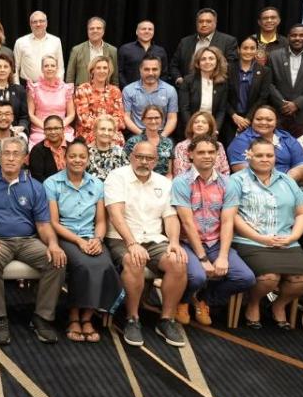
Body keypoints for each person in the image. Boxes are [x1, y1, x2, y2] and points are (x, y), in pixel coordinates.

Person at [0, 137, 66, 345]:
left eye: (16, 154)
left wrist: (52, 244)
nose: (11, 158)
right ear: (0, 156)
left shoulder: (35, 187)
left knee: (57, 261)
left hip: (28, 240)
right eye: (7, 153)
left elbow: (43, 224)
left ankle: (42, 317)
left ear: (24, 159)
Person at [223, 138, 303, 329]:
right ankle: (254, 303)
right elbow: (233, 217)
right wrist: (259, 238)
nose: (265, 159)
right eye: (259, 155)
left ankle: (279, 304)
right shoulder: (236, 180)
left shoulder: (287, 180)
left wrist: (293, 237)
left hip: (286, 241)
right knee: (268, 278)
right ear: (249, 157)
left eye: (269, 155)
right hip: (250, 241)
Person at [104, 140, 189, 347]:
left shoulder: (164, 183)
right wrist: (132, 243)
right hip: (122, 238)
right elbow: (116, 215)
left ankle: (166, 319)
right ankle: (132, 318)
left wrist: (175, 242)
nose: (143, 162)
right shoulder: (117, 177)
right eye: (139, 157)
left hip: (153, 238)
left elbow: (170, 217)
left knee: (178, 262)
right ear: (131, 157)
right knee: (135, 260)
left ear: (156, 161)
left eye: (149, 158)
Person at [170, 136, 256, 327]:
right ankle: (182, 300)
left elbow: (227, 221)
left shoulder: (228, 183)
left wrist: (223, 256)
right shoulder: (181, 182)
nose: (207, 156)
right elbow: (187, 222)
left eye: (211, 152)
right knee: (197, 276)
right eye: (201, 152)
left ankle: (205, 300)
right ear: (190, 154)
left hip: (216, 243)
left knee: (246, 278)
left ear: (217, 155)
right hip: (188, 243)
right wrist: (202, 259)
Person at [43, 139, 121, 342]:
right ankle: (73, 316)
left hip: (91, 235)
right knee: (84, 265)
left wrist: (97, 239)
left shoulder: (97, 184)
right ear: (64, 158)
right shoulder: (52, 183)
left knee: (105, 264)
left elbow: (101, 221)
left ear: (88, 159)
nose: (77, 160)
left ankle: (87, 317)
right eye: (72, 156)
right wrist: (79, 242)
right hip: (66, 236)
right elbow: (54, 222)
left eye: (82, 157)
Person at [227, 105, 303, 181]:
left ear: (276, 122)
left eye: (269, 120)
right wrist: (270, 184)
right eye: (259, 119)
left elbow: (301, 165)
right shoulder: (241, 141)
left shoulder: (286, 137)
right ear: (252, 121)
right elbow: (242, 170)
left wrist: (284, 182)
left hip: (287, 183)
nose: (263, 122)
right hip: (254, 188)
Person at [169, 8, 238, 85]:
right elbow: (173, 66)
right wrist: (179, 79)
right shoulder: (185, 42)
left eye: (208, 21)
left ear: (215, 23)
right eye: (201, 21)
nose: (204, 24)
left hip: (216, 88)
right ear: (196, 23)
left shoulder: (228, 41)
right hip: (188, 89)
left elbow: (231, 67)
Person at [226, 34, 273, 145]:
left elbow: (263, 98)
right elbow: (222, 96)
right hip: (230, 119)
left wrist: (247, 119)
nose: (248, 51)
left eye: (252, 48)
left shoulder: (265, 71)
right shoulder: (228, 68)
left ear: (257, 50)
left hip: (253, 119)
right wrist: (234, 115)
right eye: (245, 48)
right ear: (239, 49)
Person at [178, 46, 230, 134]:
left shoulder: (222, 83)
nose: (207, 62)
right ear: (197, 62)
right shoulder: (188, 81)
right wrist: (192, 129)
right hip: (190, 129)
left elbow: (221, 110)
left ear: (217, 61)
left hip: (211, 129)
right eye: (203, 59)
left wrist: (215, 130)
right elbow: (184, 108)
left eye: (211, 58)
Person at [122, 55, 178, 137]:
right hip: (137, 133)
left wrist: (162, 137)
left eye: (154, 69)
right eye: (146, 69)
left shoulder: (170, 90)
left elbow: (172, 118)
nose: (150, 73)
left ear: (160, 70)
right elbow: (126, 117)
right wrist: (142, 135)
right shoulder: (128, 90)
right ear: (140, 70)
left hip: (162, 133)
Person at [73, 57, 124, 144]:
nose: (102, 71)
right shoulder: (83, 89)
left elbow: (119, 117)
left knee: (118, 140)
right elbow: (84, 119)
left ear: (109, 71)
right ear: (92, 70)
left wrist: (107, 130)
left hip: (110, 131)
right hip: (89, 131)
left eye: (105, 68)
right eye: (98, 68)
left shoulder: (115, 91)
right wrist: (102, 129)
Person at [28, 55, 74, 146]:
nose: (49, 68)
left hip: (62, 128)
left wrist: (59, 127)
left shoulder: (66, 88)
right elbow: (31, 114)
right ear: (42, 69)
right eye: (46, 66)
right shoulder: (34, 88)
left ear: (57, 68)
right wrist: (47, 128)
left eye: (52, 66)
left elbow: (71, 114)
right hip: (40, 129)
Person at [13, 11, 64, 84]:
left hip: (49, 86)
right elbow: (15, 68)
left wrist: (58, 86)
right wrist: (17, 87)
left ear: (46, 23)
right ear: (30, 24)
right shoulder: (20, 42)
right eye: (35, 22)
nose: (38, 24)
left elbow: (60, 67)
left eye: (41, 21)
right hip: (27, 87)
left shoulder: (56, 41)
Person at [65, 16, 118, 86]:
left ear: (103, 31)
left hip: (105, 94)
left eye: (98, 28)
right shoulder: (76, 50)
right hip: (81, 94)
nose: (95, 30)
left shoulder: (112, 50)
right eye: (91, 28)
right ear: (88, 31)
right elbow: (69, 78)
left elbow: (114, 79)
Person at [172, 111, 229, 175]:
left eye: (204, 122)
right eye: (196, 122)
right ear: (191, 126)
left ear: (210, 126)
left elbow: (225, 171)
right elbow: (180, 172)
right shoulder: (181, 146)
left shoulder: (219, 145)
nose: (199, 125)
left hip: (217, 183)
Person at [117, 20, 170, 88]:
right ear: (137, 32)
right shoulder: (125, 49)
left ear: (153, 32)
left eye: (150, 29)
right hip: (131, 94)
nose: (147, 31)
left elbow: (164, 74)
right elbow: (119, 72)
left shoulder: (160, 51)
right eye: (143, 29)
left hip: (155, 93)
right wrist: (128, 89)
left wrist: (157, 89)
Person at [124, 106, 174, 177]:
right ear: (143, 120)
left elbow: (169, 173)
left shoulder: (168, 143)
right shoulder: (133, 142)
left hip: (162, 183)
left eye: (156, 118)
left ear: (162, 120)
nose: (153, 121)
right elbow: (126, 167)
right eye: (149, 118)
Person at [29, 115, 69, 182]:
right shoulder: (37, 150)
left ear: (63, 129)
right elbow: (37, 177)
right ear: (44, 131)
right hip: (48, 189)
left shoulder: (71, 147)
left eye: (56, 128)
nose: (53, 132)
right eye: (49, 129)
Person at [87, 115, 128, 180]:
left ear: (114, 133)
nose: (106, 133)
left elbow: (126, 177)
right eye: (102, 129)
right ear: (95, 131)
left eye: (110, 130)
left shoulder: (120, 153)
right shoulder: (85, 152)